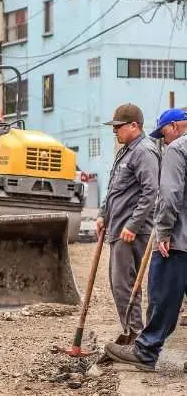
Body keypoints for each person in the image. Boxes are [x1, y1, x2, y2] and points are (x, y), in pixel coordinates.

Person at [105, 108, 187, 370]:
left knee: (161, 294)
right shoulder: (129, 151)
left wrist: (162, 230)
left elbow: (166, 193)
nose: (163, 140)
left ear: (174, 126)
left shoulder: (175, 149)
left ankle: (146, 349)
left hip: (176, 239)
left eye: (164, 134)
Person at [96, 104, 160, 337]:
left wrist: (132, 225)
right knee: (118, 284)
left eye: (119, 127)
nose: (115, 131)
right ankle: (131, 331)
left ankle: (135, 334)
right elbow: (114, 187)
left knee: (125, 284)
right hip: (117, 227)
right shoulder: (125, 150)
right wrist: (103, 214)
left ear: (134, 126)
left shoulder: (144, 151)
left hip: (132, 231)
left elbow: (151, 192)